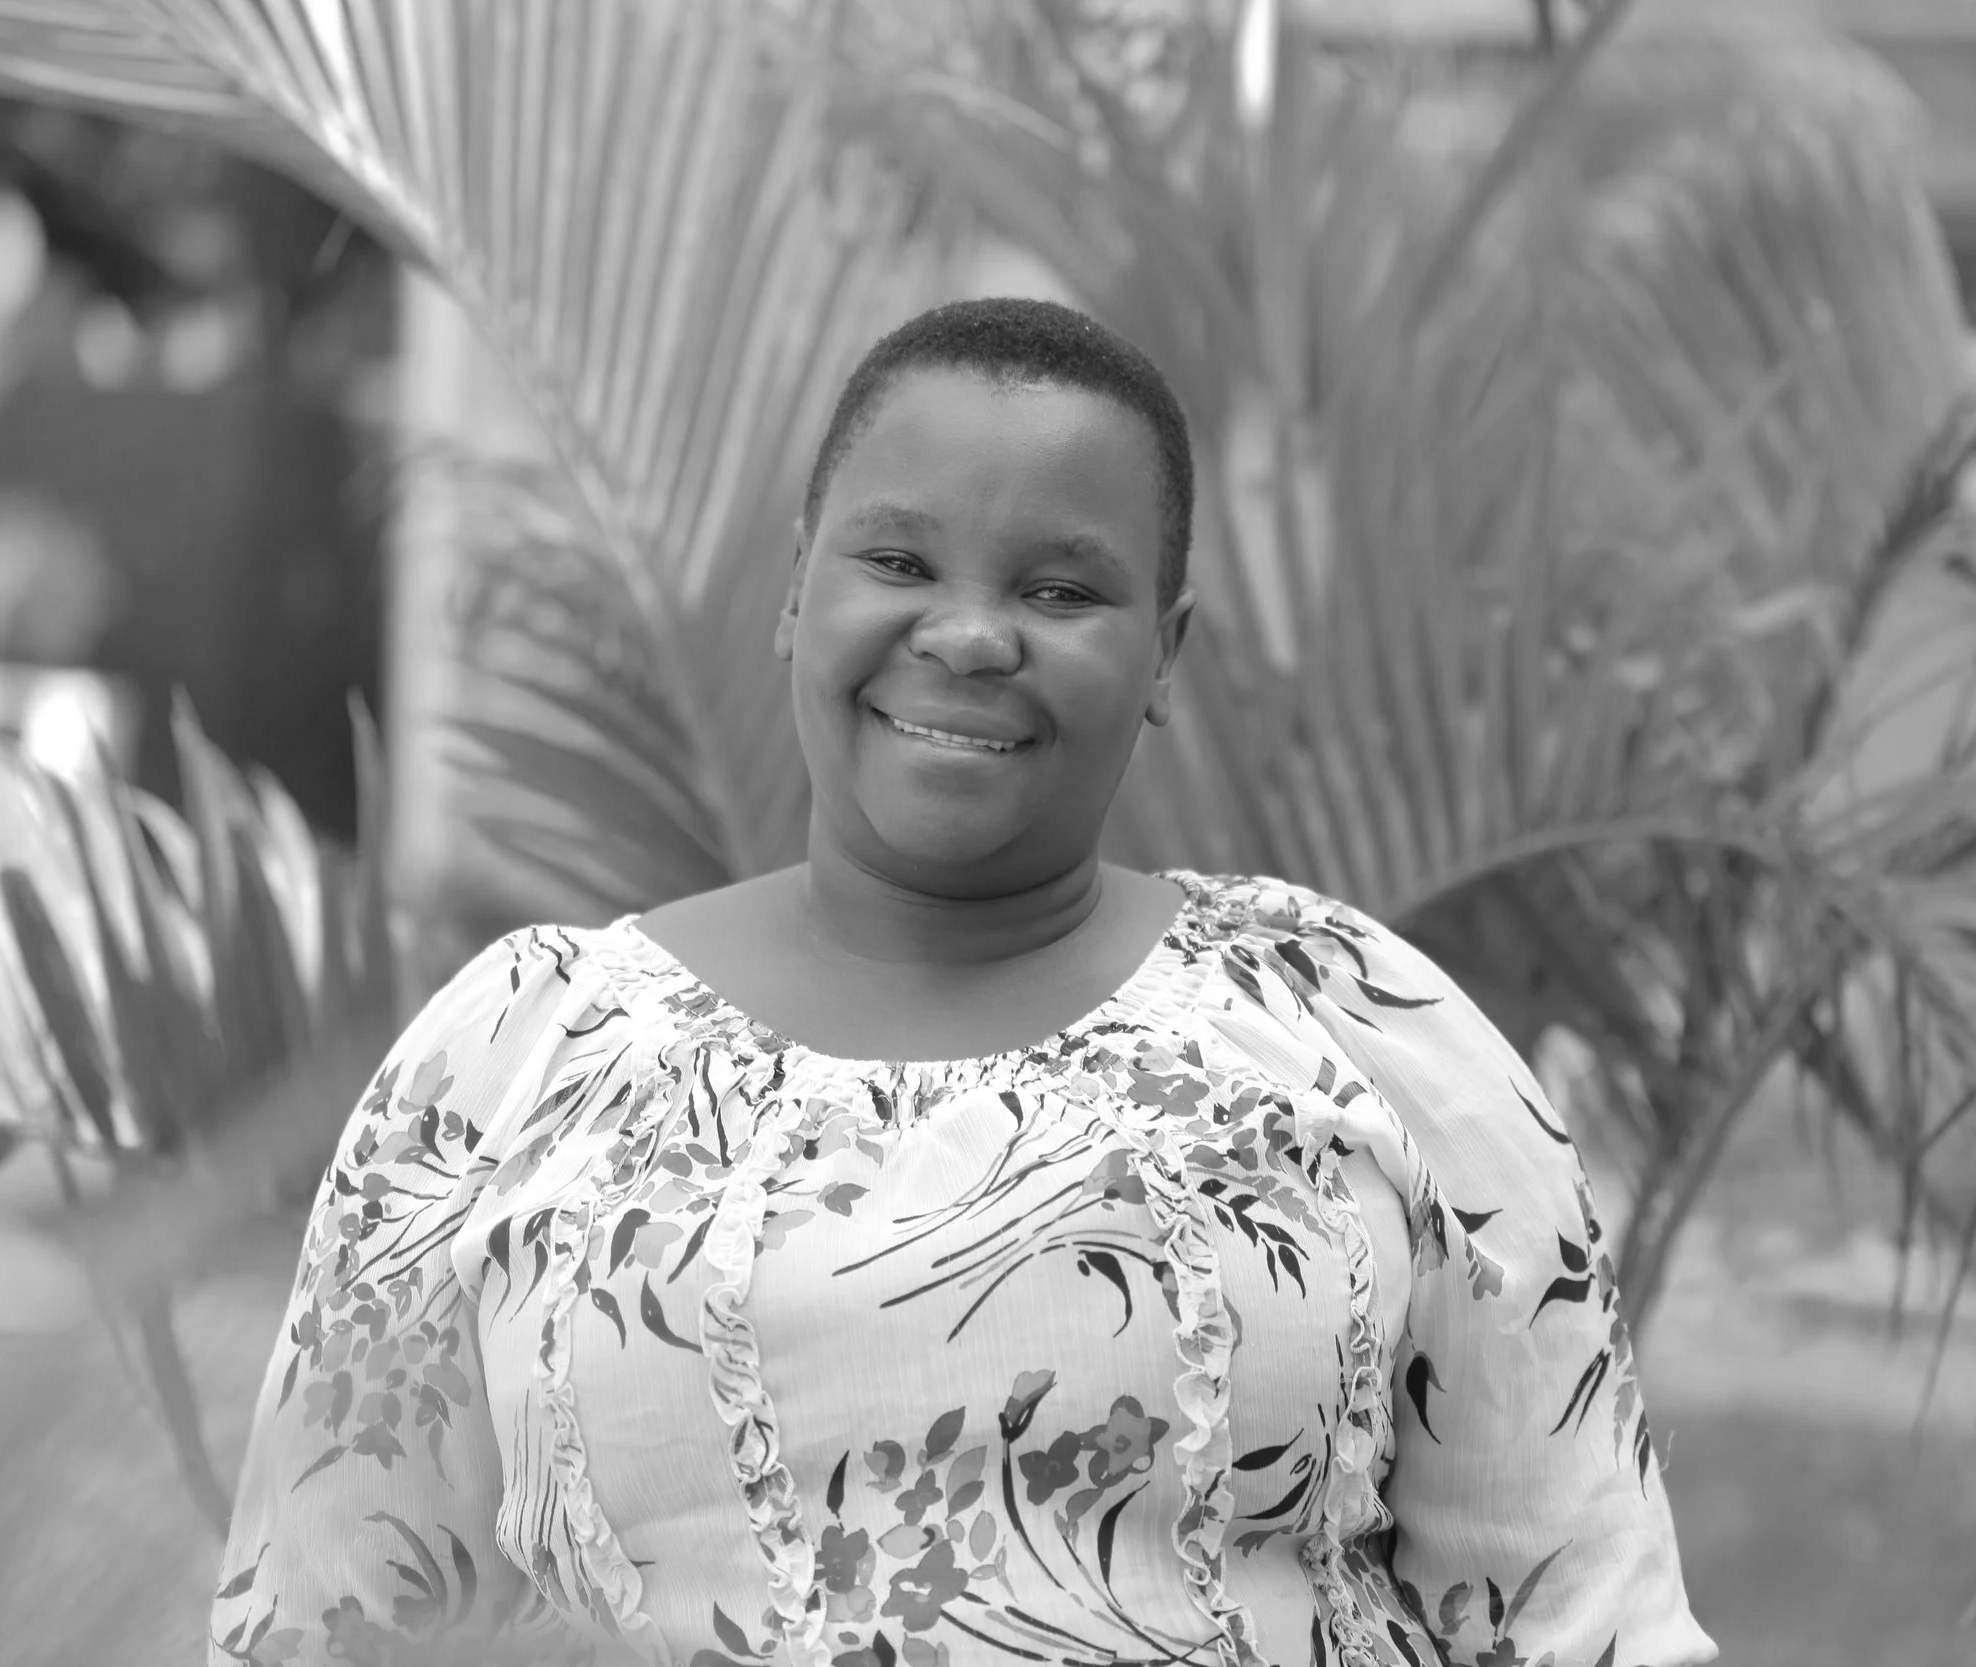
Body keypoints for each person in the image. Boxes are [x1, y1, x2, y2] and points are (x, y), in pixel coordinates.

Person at [210, 298, 1717, 1667]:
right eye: (899, 560)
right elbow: (322, 1618)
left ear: (1164, 651)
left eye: (1064, 589)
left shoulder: (1354, 1028)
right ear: (798, 593)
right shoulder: (522, 1060)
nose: (972, 633)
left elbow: (1590, 1613)